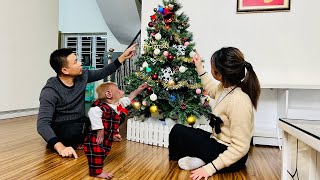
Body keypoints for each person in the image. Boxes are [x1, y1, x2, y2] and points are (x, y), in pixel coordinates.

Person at [168, 47, 261, 179]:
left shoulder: (240, 101)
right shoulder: (224, 88)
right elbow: (211, 89)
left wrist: (209, 169)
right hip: (217, 142)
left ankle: (207, 162)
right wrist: (199, 67)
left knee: (183, 135)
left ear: (219, 74)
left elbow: (240, 148)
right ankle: (203, 159)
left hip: (233, 157)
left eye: (212, 67)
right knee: (178, 131)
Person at [37, 44, 138, 159]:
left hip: (81, 122)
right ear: (65, 70)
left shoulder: (83, 76)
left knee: (117, 114)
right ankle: (82, 139)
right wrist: (60, 147)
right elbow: (42, 124)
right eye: (75, 62)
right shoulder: (50, 91)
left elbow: (104, 72)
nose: (80, 63)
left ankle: (96, 136)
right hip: (64, 128)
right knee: (72, 131)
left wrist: (123, 57)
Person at [83, 82, 147, 179]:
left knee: (104, 152)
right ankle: (96, 172)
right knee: (97, 152)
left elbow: (129, 98)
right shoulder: (100, 107)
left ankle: (97, 167)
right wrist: (99, 129)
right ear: (109, 94)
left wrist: (138, 90)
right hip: (95, 138)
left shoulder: (118, 104)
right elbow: (92, 112)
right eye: (118, 90)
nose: (122, 91)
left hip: (108, 136)